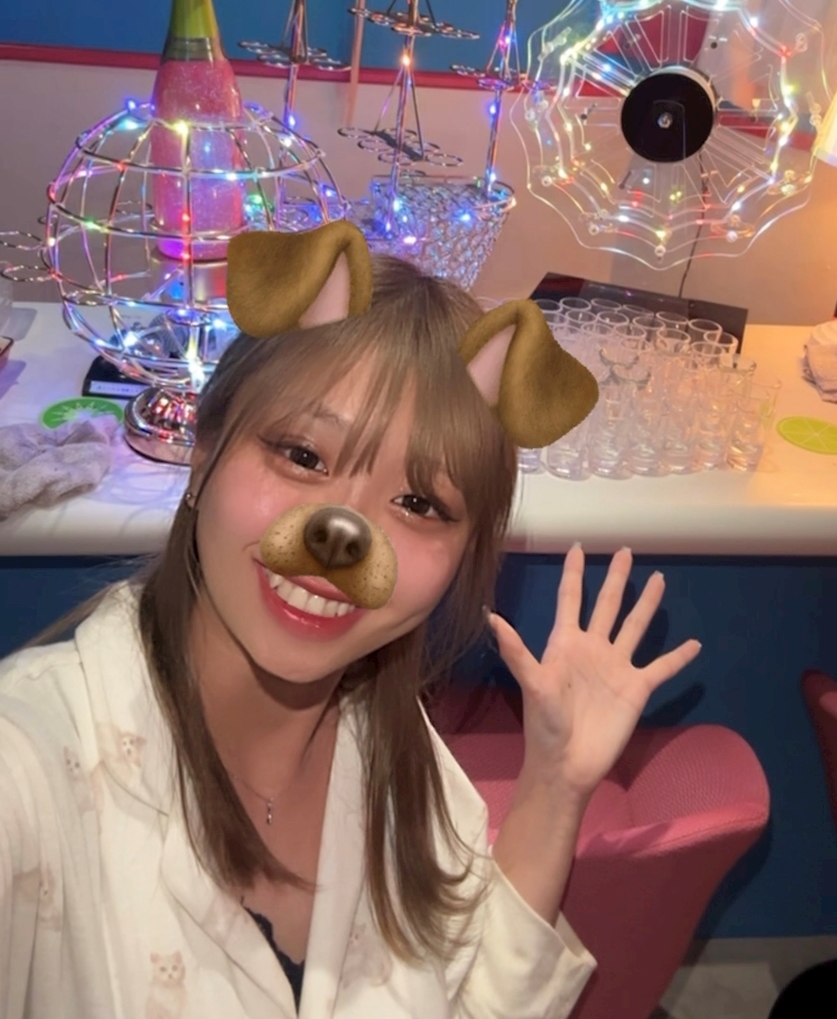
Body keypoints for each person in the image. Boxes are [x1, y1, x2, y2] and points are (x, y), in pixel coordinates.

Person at [0, 224, 701, 1018]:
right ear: (203, 454)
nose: (344, 531)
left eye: (419, 503)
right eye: (303, 456)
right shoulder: (28, 766)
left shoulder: (402, 760)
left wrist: (554, 787)